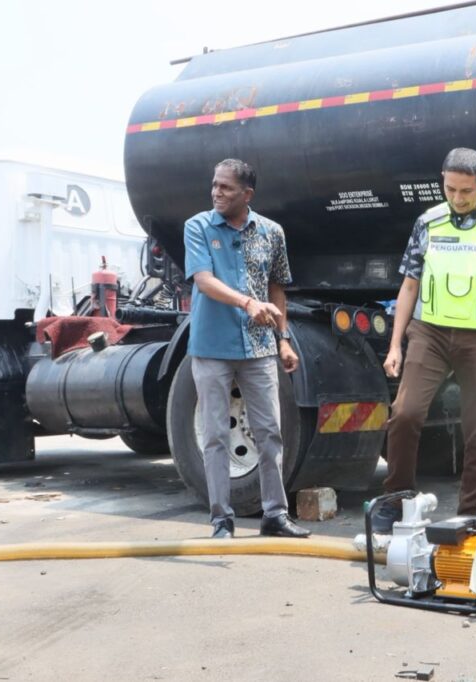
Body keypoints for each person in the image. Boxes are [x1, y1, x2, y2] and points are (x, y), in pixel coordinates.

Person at [372, 148, 476, 532]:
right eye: (450, 189)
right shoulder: (428, 223)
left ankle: (475, 510)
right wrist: (396, 343)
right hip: (428, 333)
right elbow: (409, 284)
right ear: (442, 182)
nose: (458, 199)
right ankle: (396, 498)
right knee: (406, 413)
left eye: (466, 191)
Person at [183, 158, 310, 540]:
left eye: (226, 188)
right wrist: (246, 304)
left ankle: (275, 515)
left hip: (259, 349)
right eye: (214, 185)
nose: (217, 192)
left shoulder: (272, 233)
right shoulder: (199, 227)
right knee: (216, 435)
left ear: (247, 194)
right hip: (211, 347)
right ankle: (222, 520)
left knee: (270, 433)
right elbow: (204, 281)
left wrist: (283, 340)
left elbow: (276, 289)